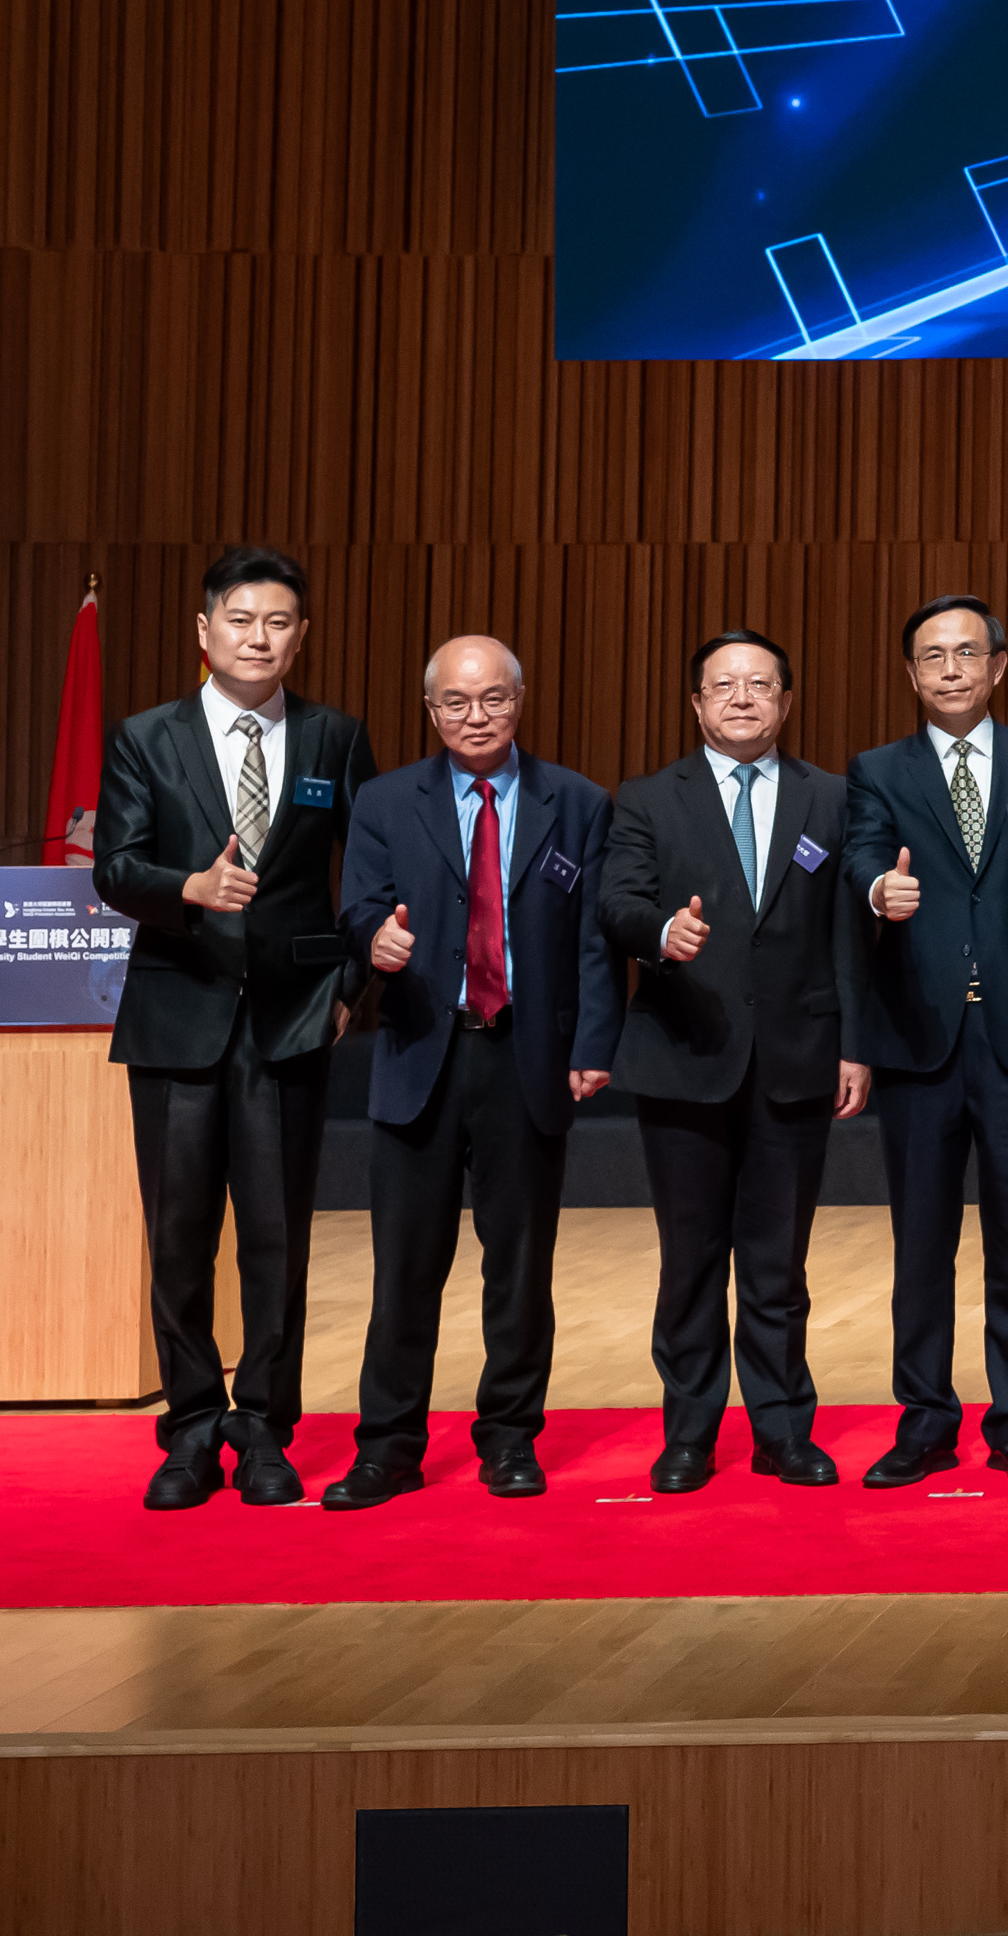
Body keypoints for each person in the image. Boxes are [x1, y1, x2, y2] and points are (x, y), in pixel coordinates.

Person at [94, 546, 377, 1510]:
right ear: (205, 630)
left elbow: (370, 877)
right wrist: (191, 888)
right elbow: (115, 868)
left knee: (276, 1240)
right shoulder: (146, 738)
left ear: (301, 635)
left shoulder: (336, 738)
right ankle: (187, 1431)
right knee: (179, 1240)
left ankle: (263, 1427)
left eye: (280, 623)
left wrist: (348, 990)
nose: (261, 639)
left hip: (294, 1021)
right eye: (243, 620)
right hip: (177, 1015)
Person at [324, 636, 615, 1508]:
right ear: (432, 711)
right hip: (421, 1048)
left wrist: (594, 1045)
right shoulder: (382, 801)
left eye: (492, 700)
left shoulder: (578, 802)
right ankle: (387, 1447)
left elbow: (596, 942)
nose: (475, 716)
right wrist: (373, 940)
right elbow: (358, 908)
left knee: (519, 1267)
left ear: (519, 701)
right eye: (456, 702)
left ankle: (511, 1439)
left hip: (525, 1055)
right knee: (404, 1267)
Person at [586, 627, 868, 1493]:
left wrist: (855, 1045)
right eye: (725, 686)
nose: (743, 699)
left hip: (798, 1054)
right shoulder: (646, 798)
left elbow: (849, 934)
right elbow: (617, 901)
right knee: (692, 1259)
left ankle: (784, 1428)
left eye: (761, 685)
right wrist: (661, 934)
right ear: (698, 703)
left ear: (786, 701)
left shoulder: (831, 797)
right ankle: (689, 1434)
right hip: (684, 1056)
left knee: (780, 1263)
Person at [844, 595, 1008, 1491]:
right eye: (932, 657)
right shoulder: (878, 769)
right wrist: (881, 893)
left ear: (998, 666)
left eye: (967, 653)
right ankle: (925, 1421)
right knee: (922, 1239)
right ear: (911, 674)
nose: (951, 669)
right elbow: (861, 860)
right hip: (918, 1035)